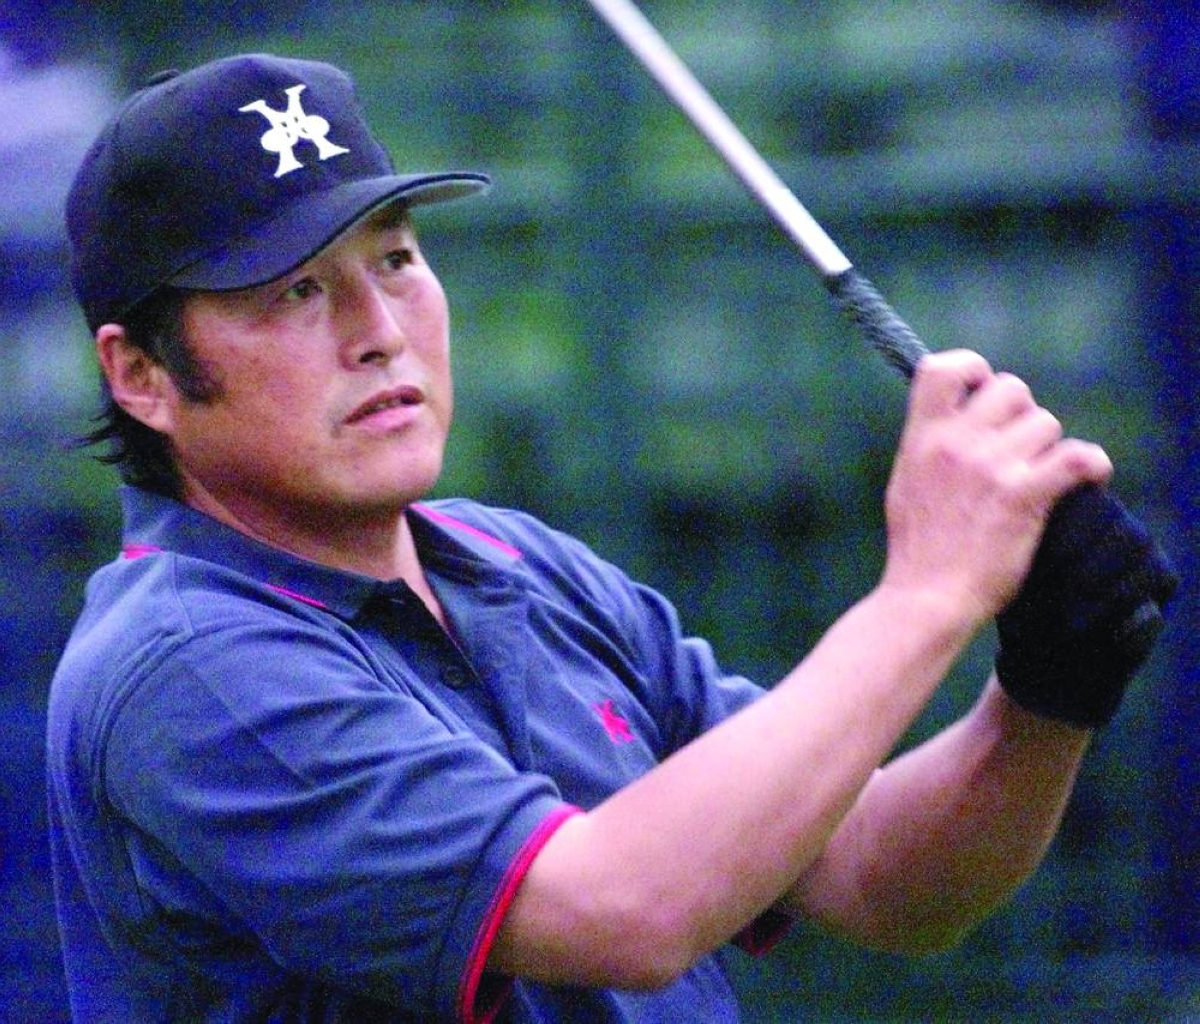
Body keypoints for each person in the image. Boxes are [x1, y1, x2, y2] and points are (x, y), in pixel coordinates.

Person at [47, 52, 1177, 1023]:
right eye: (296, 291)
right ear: (141, 375)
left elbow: (880, 876)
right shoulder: (188, 666)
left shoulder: (515, 563)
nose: (379, 331)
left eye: (394, 260)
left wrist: (1048, 689)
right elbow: (625, 909)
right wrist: (926, 596)